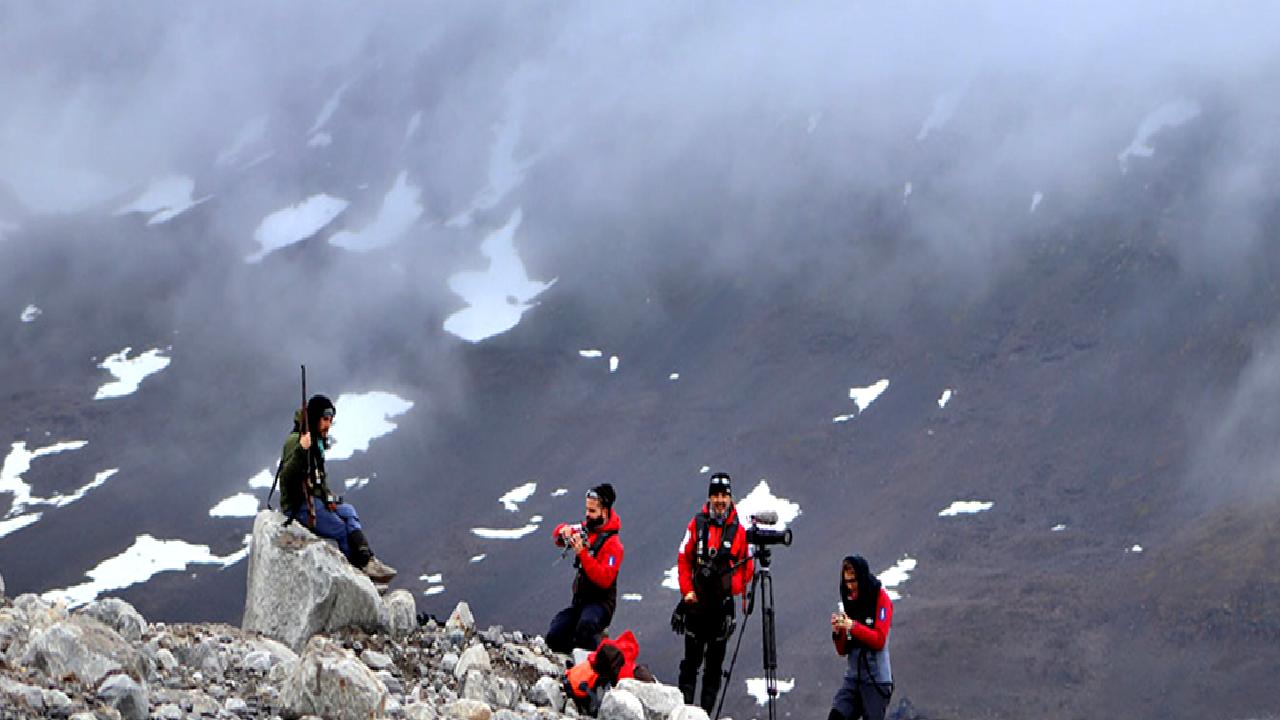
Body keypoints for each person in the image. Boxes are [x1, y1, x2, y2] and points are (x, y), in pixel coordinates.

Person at [274, 394, 397, 583]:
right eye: (325, 419)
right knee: (340, 528)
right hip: (298, 506)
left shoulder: (316, 441)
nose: (328, 424)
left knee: (348, 512)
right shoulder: (296, 441)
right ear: (315, 418)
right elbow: (287, 478)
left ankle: (368, 560)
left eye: (331, 419)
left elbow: (317, 480)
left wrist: (327, 498)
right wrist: (301, 450)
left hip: (315, 500)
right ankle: (360, 575)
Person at [673, 471, 754, 712]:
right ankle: (684, 712)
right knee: (690, 663)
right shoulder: (696, 524)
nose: (719, 500)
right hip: (696, 604)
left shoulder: (740, 531)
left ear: (730, 498)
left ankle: (706, 714)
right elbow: (683, 559)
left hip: (721, 608)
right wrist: (687, 592)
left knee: (714, 667)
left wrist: (728, 587)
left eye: (724, 495)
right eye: (715, 495)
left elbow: (747, 569)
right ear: (709, 498)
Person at [547, 483, 624, 654]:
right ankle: (571, 661)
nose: (587, 515)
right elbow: (557, 536)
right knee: (555, 634)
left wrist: (583, 553)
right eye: (587, 510)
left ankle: (597, 659)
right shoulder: (586, 529)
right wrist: (564, 532)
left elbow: (604, 579)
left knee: (586, 626)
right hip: (580, 602)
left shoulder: (614, 545)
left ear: (604, 511)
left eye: (592, 511)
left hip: (601, 604)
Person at [828, 555, 893, 720]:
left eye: (854, 581)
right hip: (853, 679)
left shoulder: (881, 598)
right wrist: (838, 632)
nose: (851, 587)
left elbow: (879, 640)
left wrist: (853, 626)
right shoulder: (849, 600)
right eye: (847, 582)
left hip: (875, 681)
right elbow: (843, 650)